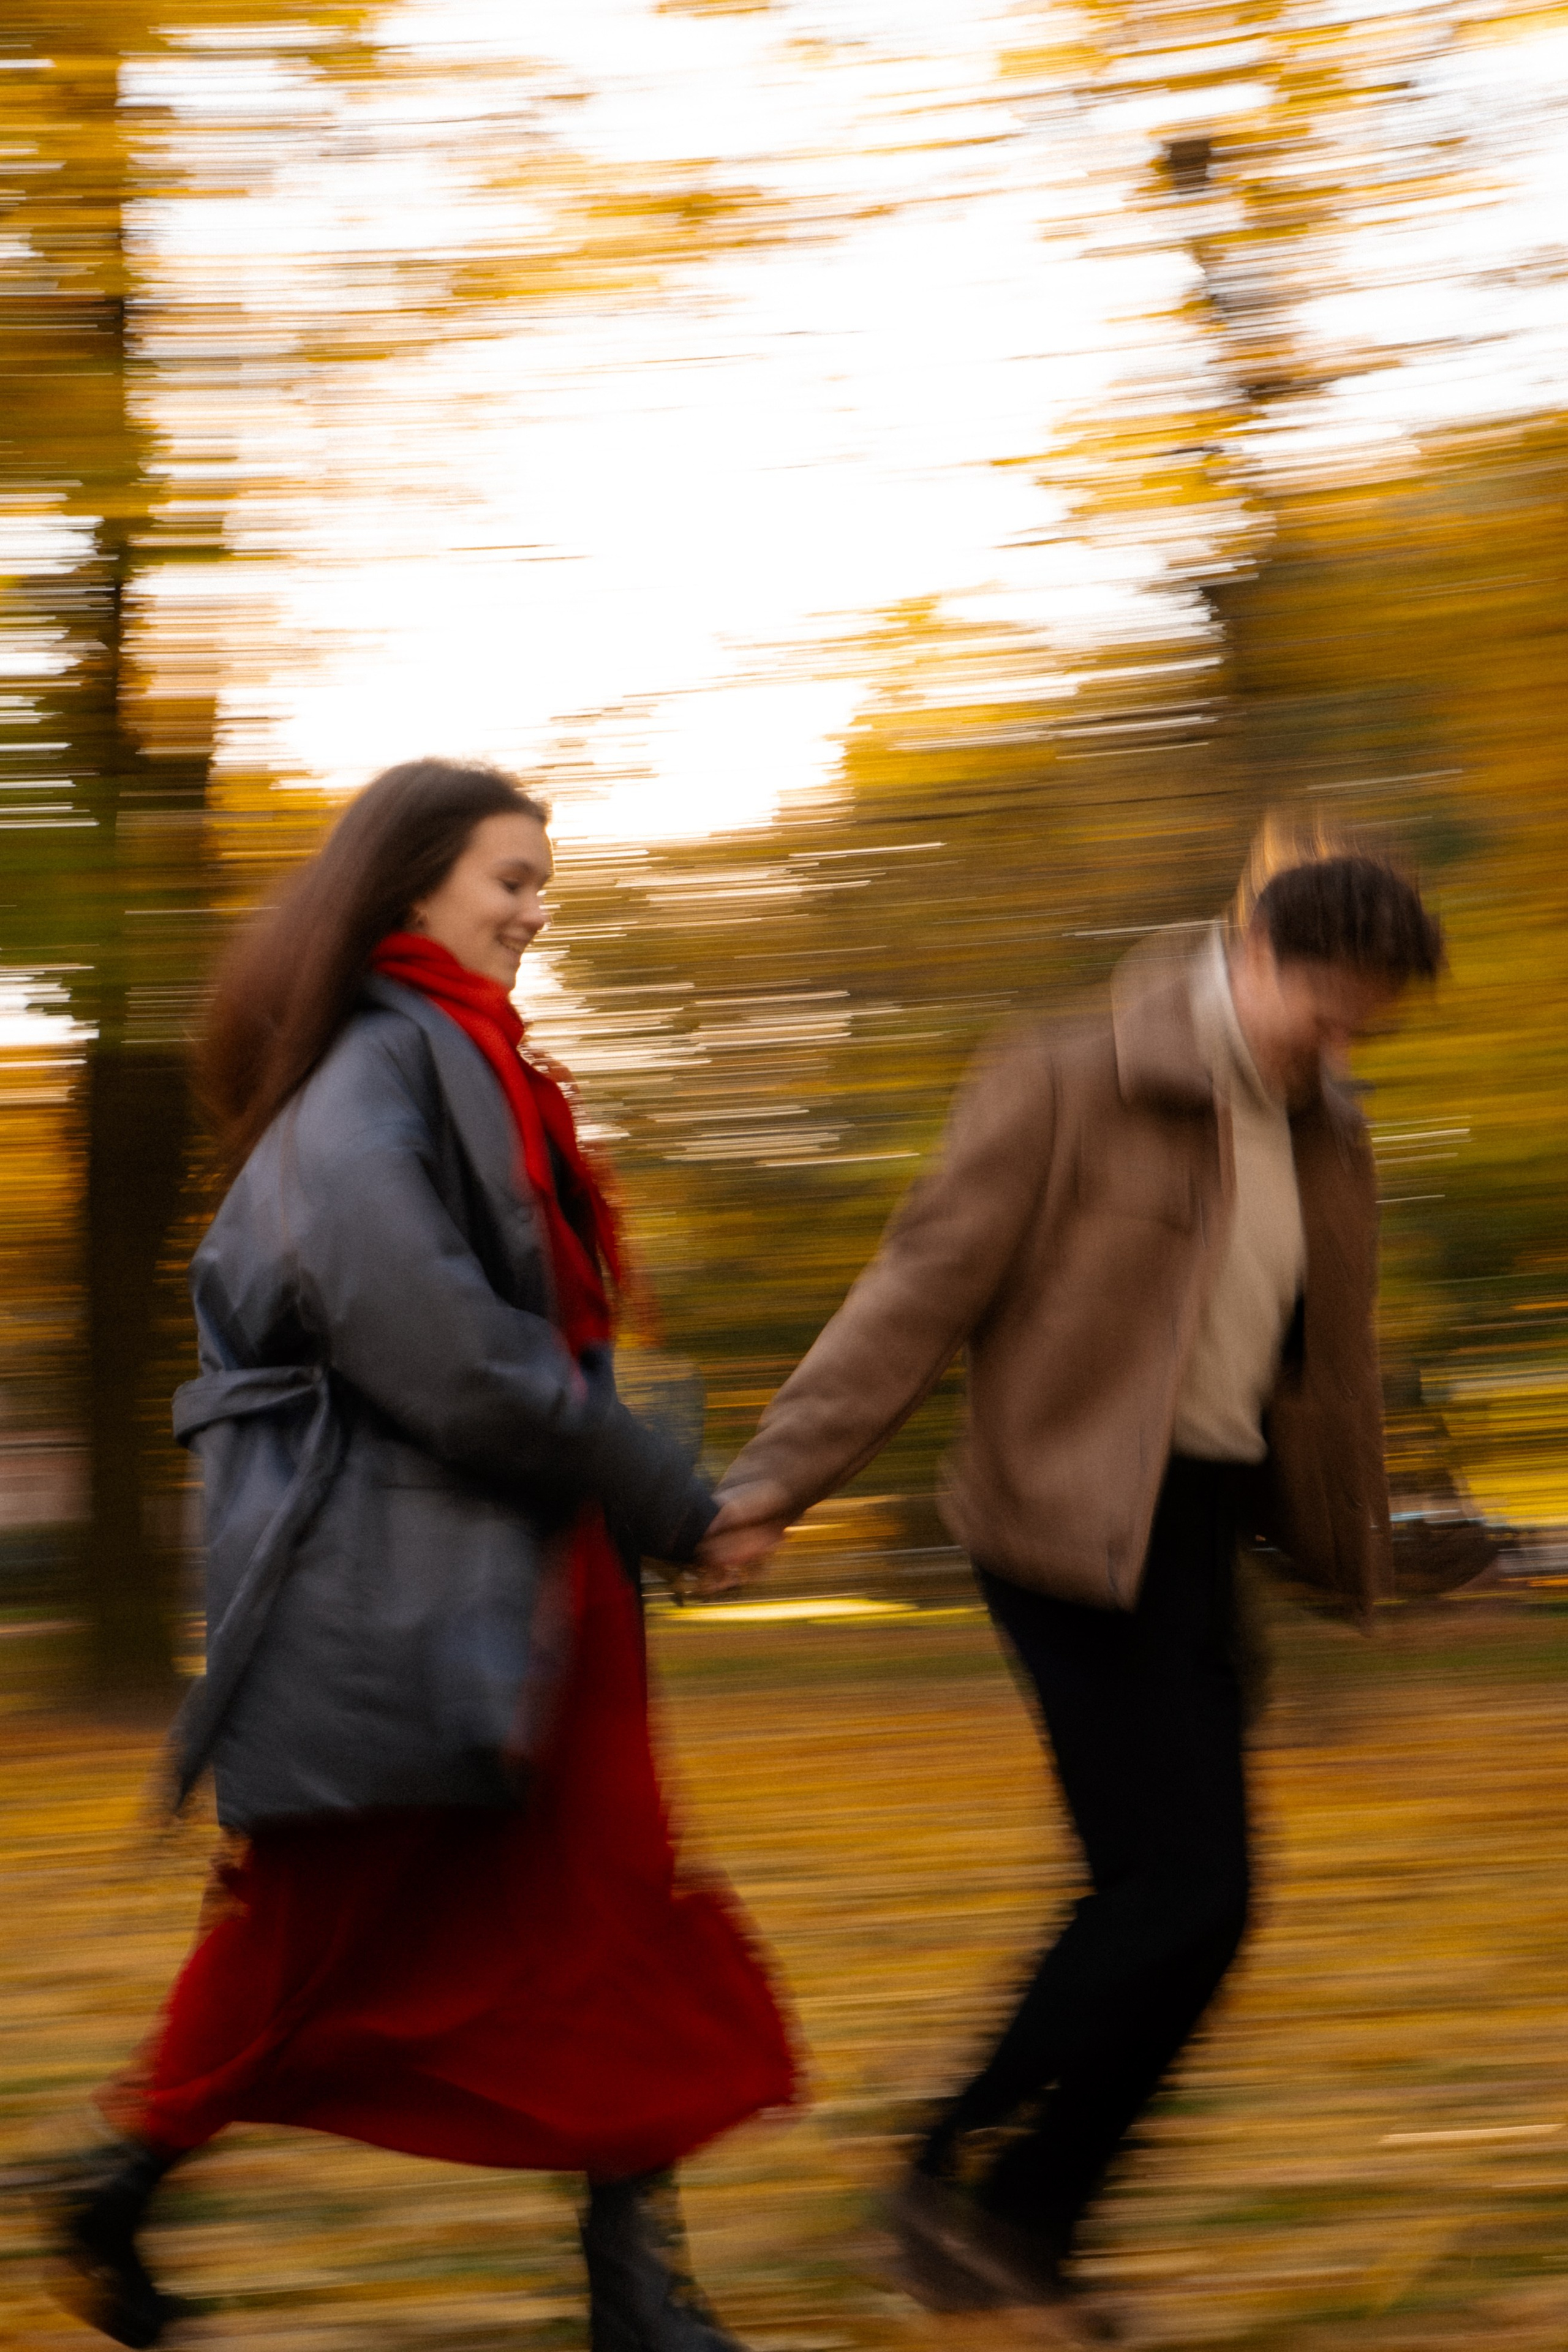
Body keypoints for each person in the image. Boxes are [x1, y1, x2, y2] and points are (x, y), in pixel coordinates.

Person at [49, 759, 795, 2351]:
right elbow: (440, 1349)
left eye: (543, 880)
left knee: (608, 1896)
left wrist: (643, 1498)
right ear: (410, 890)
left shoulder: (471, 1061)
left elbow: (538, 1340)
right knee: (322, 1923)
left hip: (531, 1562)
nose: (538, 907)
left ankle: (634, 2288)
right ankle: (117, 2178)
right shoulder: (375, 1077)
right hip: (405, 1579)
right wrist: (663, 1493)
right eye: (510, 878)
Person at [704, 852, 1444, 2337]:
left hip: (1199, 1527)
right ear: (1248, 948)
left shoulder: (1324, 1126)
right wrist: (776, 1483)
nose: (1336, 1048)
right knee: (1186, 1889)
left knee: (1189, 1906)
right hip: (1058, 1525)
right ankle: (953, 2173)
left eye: (1363, 1028)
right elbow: (916, 1291)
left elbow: (1321, 1362)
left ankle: (1014, 2221)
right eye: (1322, 1011)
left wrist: (1361, 1539)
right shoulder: (1062, 1079)